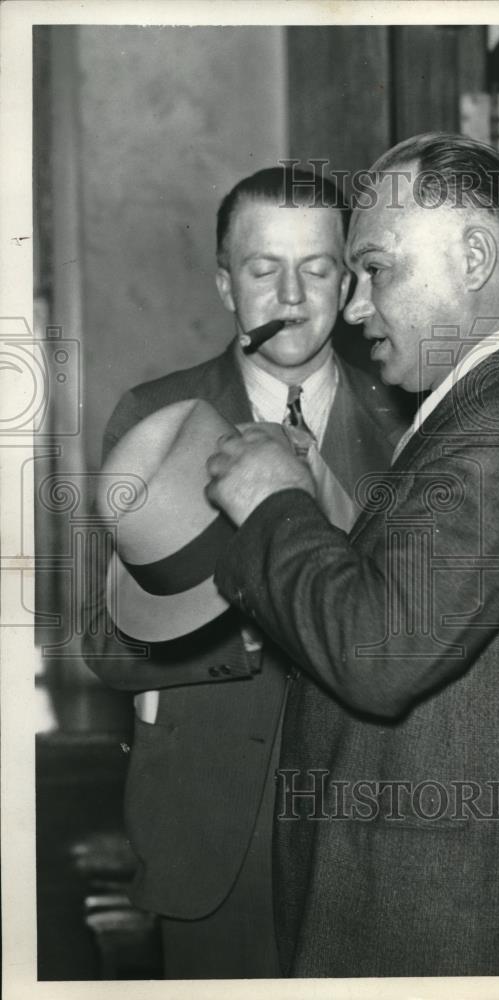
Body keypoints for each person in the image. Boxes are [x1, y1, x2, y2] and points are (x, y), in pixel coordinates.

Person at [207, 134, 499, 977]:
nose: (356, 307)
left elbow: (376, 652)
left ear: (474, 255)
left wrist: (273, 500)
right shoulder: (487, 409)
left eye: (377, 269)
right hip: (436, 916)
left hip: (459, 929)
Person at [81, 165, 408, 979]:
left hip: (373, 823)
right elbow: (103, 644)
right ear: (226, 285)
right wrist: (253, 633)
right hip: (211, 833)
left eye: (319, 268)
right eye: (264, 270)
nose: (292, 297)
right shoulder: (155, 418)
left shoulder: (410, 416)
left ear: (351, 281)